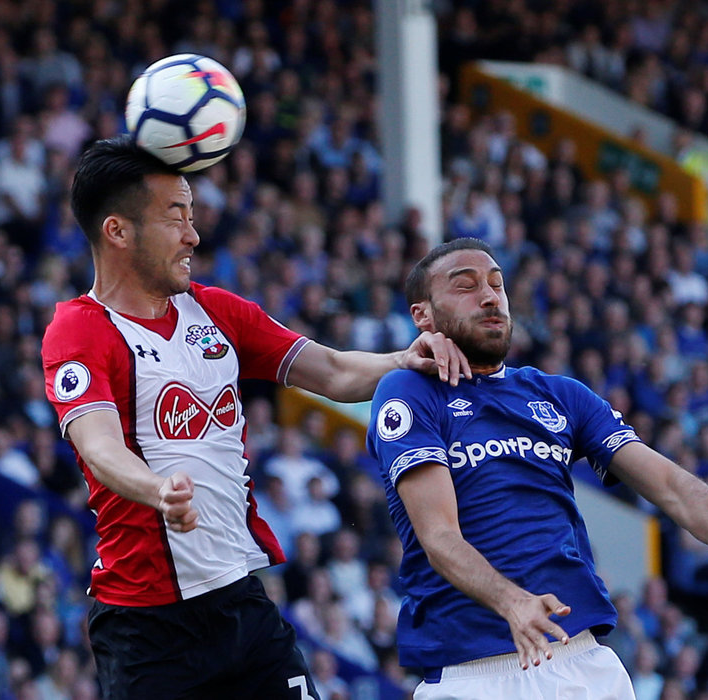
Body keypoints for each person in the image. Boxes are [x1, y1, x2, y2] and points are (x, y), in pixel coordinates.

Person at [40, 135, 471, 700]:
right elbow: (97, 446)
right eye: (176, 217)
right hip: (146, 628)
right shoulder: (79, 329)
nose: (194, 234)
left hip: (242, 606)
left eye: (193, 215)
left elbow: (335, 371)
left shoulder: (217, 310)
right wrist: (157, 489)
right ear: (117, 231)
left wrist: (401, 358)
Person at [366, 238, 708, 700]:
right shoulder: (408, 393)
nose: (490, 296)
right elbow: (439, 537)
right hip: (473, 670)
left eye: (496, 283)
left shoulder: (558, 394)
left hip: (583, 662)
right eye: (466, 285)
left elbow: (670, 483)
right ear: (422, 314)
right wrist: (513, 602)